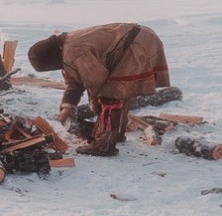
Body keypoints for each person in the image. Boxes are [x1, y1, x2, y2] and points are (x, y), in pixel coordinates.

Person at [27, 23, 170, 156]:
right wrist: (67, 105)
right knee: (116, 90)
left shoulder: (73, 51)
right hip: (140, 38)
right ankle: (117, 133)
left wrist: (95, 105)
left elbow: (97, 79)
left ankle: (104, 145)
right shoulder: (65, 45)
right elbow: (75, 79)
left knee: (109, 93)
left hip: (136, 43)